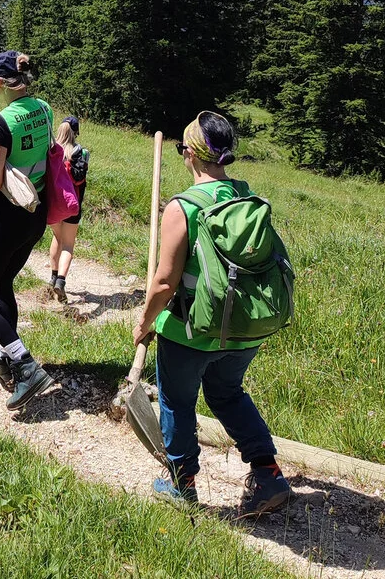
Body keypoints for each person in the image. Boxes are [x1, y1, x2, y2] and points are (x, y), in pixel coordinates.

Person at [131, 111, 291, 515]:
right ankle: (268, 473)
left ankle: (182, 486)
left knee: (177, 402)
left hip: (193, 333)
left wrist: (144, 322)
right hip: (244, 327)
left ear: (190, 154)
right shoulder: (244, 197)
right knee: (227, 394)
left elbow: (165, 283)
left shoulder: (182, 208)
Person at [0, 51, 56, 411]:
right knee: (3, 283)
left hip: (8, 217)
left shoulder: (1, 122)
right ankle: (7, 355)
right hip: (37, 214)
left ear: (2, 83)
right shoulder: (45, 108)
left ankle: (25, 364)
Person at [47, 116, 89, 303]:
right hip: (72, 205)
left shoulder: (51, 150)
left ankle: (53, 277)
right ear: (76, 132)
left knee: (57, 237)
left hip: (53, 204)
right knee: (68, 245)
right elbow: (81, 178)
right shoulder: (81, 153)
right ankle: (61, 282)